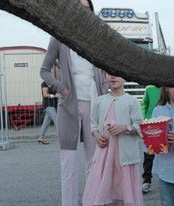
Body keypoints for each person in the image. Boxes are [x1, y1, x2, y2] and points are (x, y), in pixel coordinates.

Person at [39, 0, 109, 205]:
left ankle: (91, 201)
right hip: (69, 105)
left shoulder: (98, 39)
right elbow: (44, 70)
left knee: (93, 161)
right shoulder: (59, 37)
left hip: (95, 104)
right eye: (78, 6)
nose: (82, 11)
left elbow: (104, 69)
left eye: (86, 8)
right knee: (68, 164)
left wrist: (105, 85)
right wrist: (61, 88)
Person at [82, 74, 143, 206]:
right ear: (105, 77)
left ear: (126, 77)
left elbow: (140, 126)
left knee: (124, 187)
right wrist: (96, 134)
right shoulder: (99, 101)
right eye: (110, 73)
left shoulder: (132, 101)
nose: (113, 77)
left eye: (118, 73)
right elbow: (93, 123)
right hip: (104, 154)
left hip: (125, 155)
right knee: (104, 186)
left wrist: (125, 128)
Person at [140, 84, 160, 194]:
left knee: (165, 152)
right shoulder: (149, 88)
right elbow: (144, 104)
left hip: (164, 123)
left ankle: (167, 180)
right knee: (148, 154)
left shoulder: (169, 87)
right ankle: (147, 180)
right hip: (150, 124)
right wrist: (145, 118)